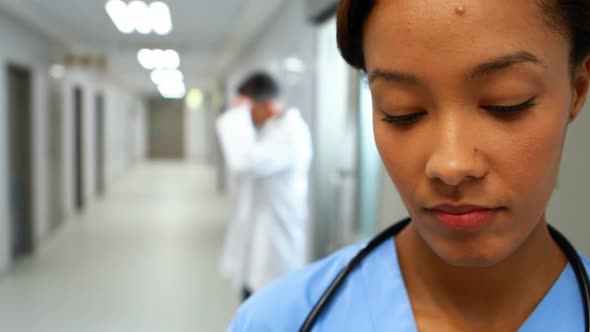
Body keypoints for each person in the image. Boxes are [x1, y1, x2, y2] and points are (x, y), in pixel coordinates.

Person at [228, 0, 590, 331]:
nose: (451, 165)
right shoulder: (278, 319)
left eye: (506, 102)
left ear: (578, 88)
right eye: (402, 110)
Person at [217, 72, 313, 302]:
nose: (248, 117)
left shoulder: (291, 134)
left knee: (271, 311)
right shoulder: (273, 130)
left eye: (250, 110)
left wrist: (235, 115)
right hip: (260, 246)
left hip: (276, 250)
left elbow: (242, 160)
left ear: (268, 105)